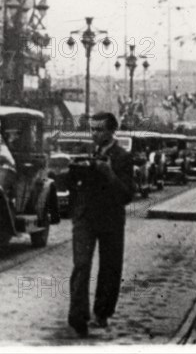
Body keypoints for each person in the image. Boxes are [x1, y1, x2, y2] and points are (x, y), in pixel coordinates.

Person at [67, 112, 135, 337]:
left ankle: (102, 313)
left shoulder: (123, 157)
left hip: (111, 220)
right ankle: (78, 317)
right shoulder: (90, 153)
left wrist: (109, 174)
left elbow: (126, 195)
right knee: (81, 265)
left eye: (99, 129)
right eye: (92, 129)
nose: (94, 134)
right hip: (85, 219)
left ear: (111, 131)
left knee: (110, 268)